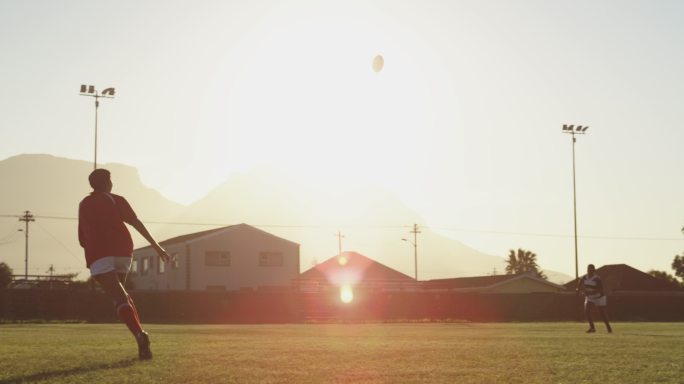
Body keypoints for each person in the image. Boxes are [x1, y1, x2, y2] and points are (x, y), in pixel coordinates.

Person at [78, 168, 170, 359]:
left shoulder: (85, 203)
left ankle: (139, 334)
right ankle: (140, 334)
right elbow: (135, 222)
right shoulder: (116, 199)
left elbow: (81, 238)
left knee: (118, 297)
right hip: (123, 251)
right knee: (123, 294)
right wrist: (157, 247)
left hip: (100, 253)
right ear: (108, 183)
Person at [577, 264, 612, 333]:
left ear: (593, 270)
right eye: (588, 269)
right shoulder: (585, 277)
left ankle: (608, 327)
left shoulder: (597, 279)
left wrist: (589, 293)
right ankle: (592, 328)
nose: (589, 270)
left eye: (590, 269)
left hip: (599, 297)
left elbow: (600, 290)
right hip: (590, 297)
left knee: (602, 313)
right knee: (587, 311)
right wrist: (578, 289)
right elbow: (579, 284)